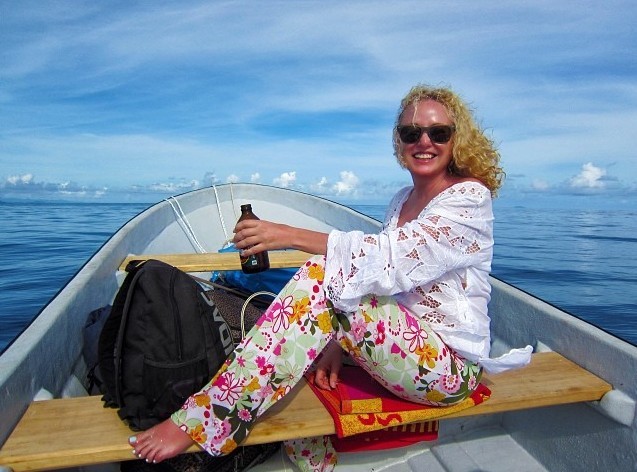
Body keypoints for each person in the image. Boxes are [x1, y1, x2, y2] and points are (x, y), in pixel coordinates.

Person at [128, 84, 532, 471]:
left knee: (322, 278)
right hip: (405, 347)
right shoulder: (401, 201)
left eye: (438, 132)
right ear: (400, 140)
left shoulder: (469, 198)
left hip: (447, 370)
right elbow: (378, 282)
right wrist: (339, 340)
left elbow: (392, 259)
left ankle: (205, 419)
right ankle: (316, 464)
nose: (423, 141)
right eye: (411, 133)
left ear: (456, 139)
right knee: (299, 351)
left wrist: (288, 235)